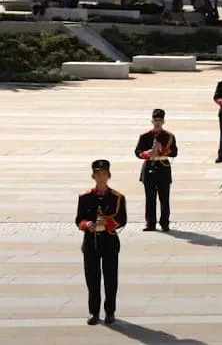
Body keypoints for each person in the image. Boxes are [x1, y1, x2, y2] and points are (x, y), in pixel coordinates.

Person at [77, 159, 127, 326]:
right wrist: (87, 225)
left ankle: (110, 311)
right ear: (93, 176)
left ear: (108, 175)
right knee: (92, 279)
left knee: (110, 278)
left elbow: (122, 219)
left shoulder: (117, 197)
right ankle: (94, 312)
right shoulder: (85, 197)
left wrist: (106, 224)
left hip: (109, 242)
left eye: (104, 174)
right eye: (98, 174)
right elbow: (79, 219)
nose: (101, 177)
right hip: (91, 242)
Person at [135, 109, 178, 231]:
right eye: (155, 120)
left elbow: (174, 152)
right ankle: (150, 223)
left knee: (164, 198)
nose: (157, 123)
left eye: (159, 120)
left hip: (163, 167)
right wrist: (147, 153)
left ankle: (165, 222)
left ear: (163, 121)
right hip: (149, 166)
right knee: (150, 198)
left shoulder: (169, 136)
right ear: (152, 121)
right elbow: (137, 151)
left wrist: (162, 149)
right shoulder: (145, 136)